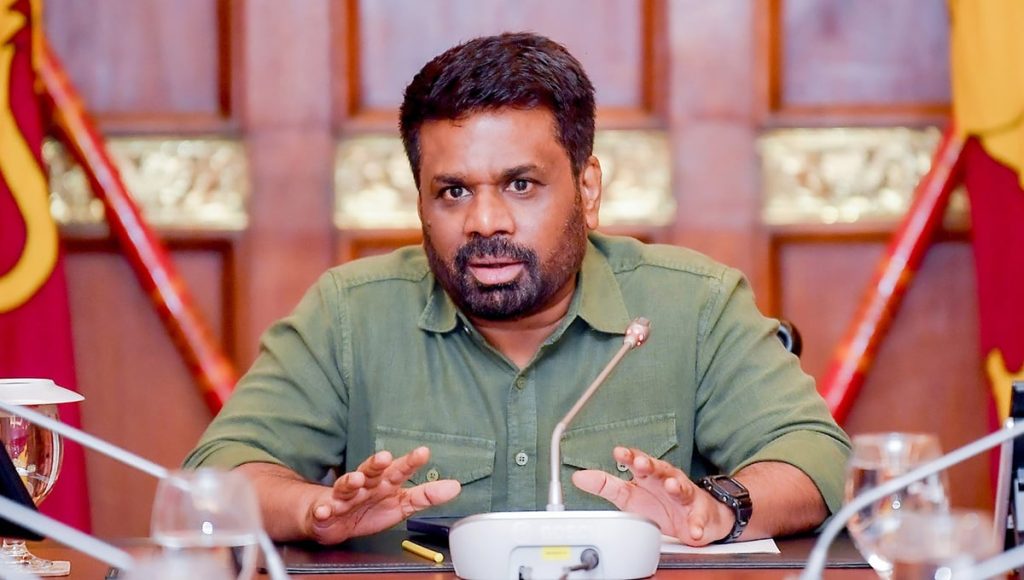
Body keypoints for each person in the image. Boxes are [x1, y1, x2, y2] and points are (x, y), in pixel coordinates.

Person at [184, 32, 850, 547]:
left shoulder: (694, 303)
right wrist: (313, 510)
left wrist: (720, 509)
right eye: (453, 192)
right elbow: (216, 476)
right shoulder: (350, 313)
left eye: (521, 185)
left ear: (587, 190)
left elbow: (817, 457)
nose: (484, 222)